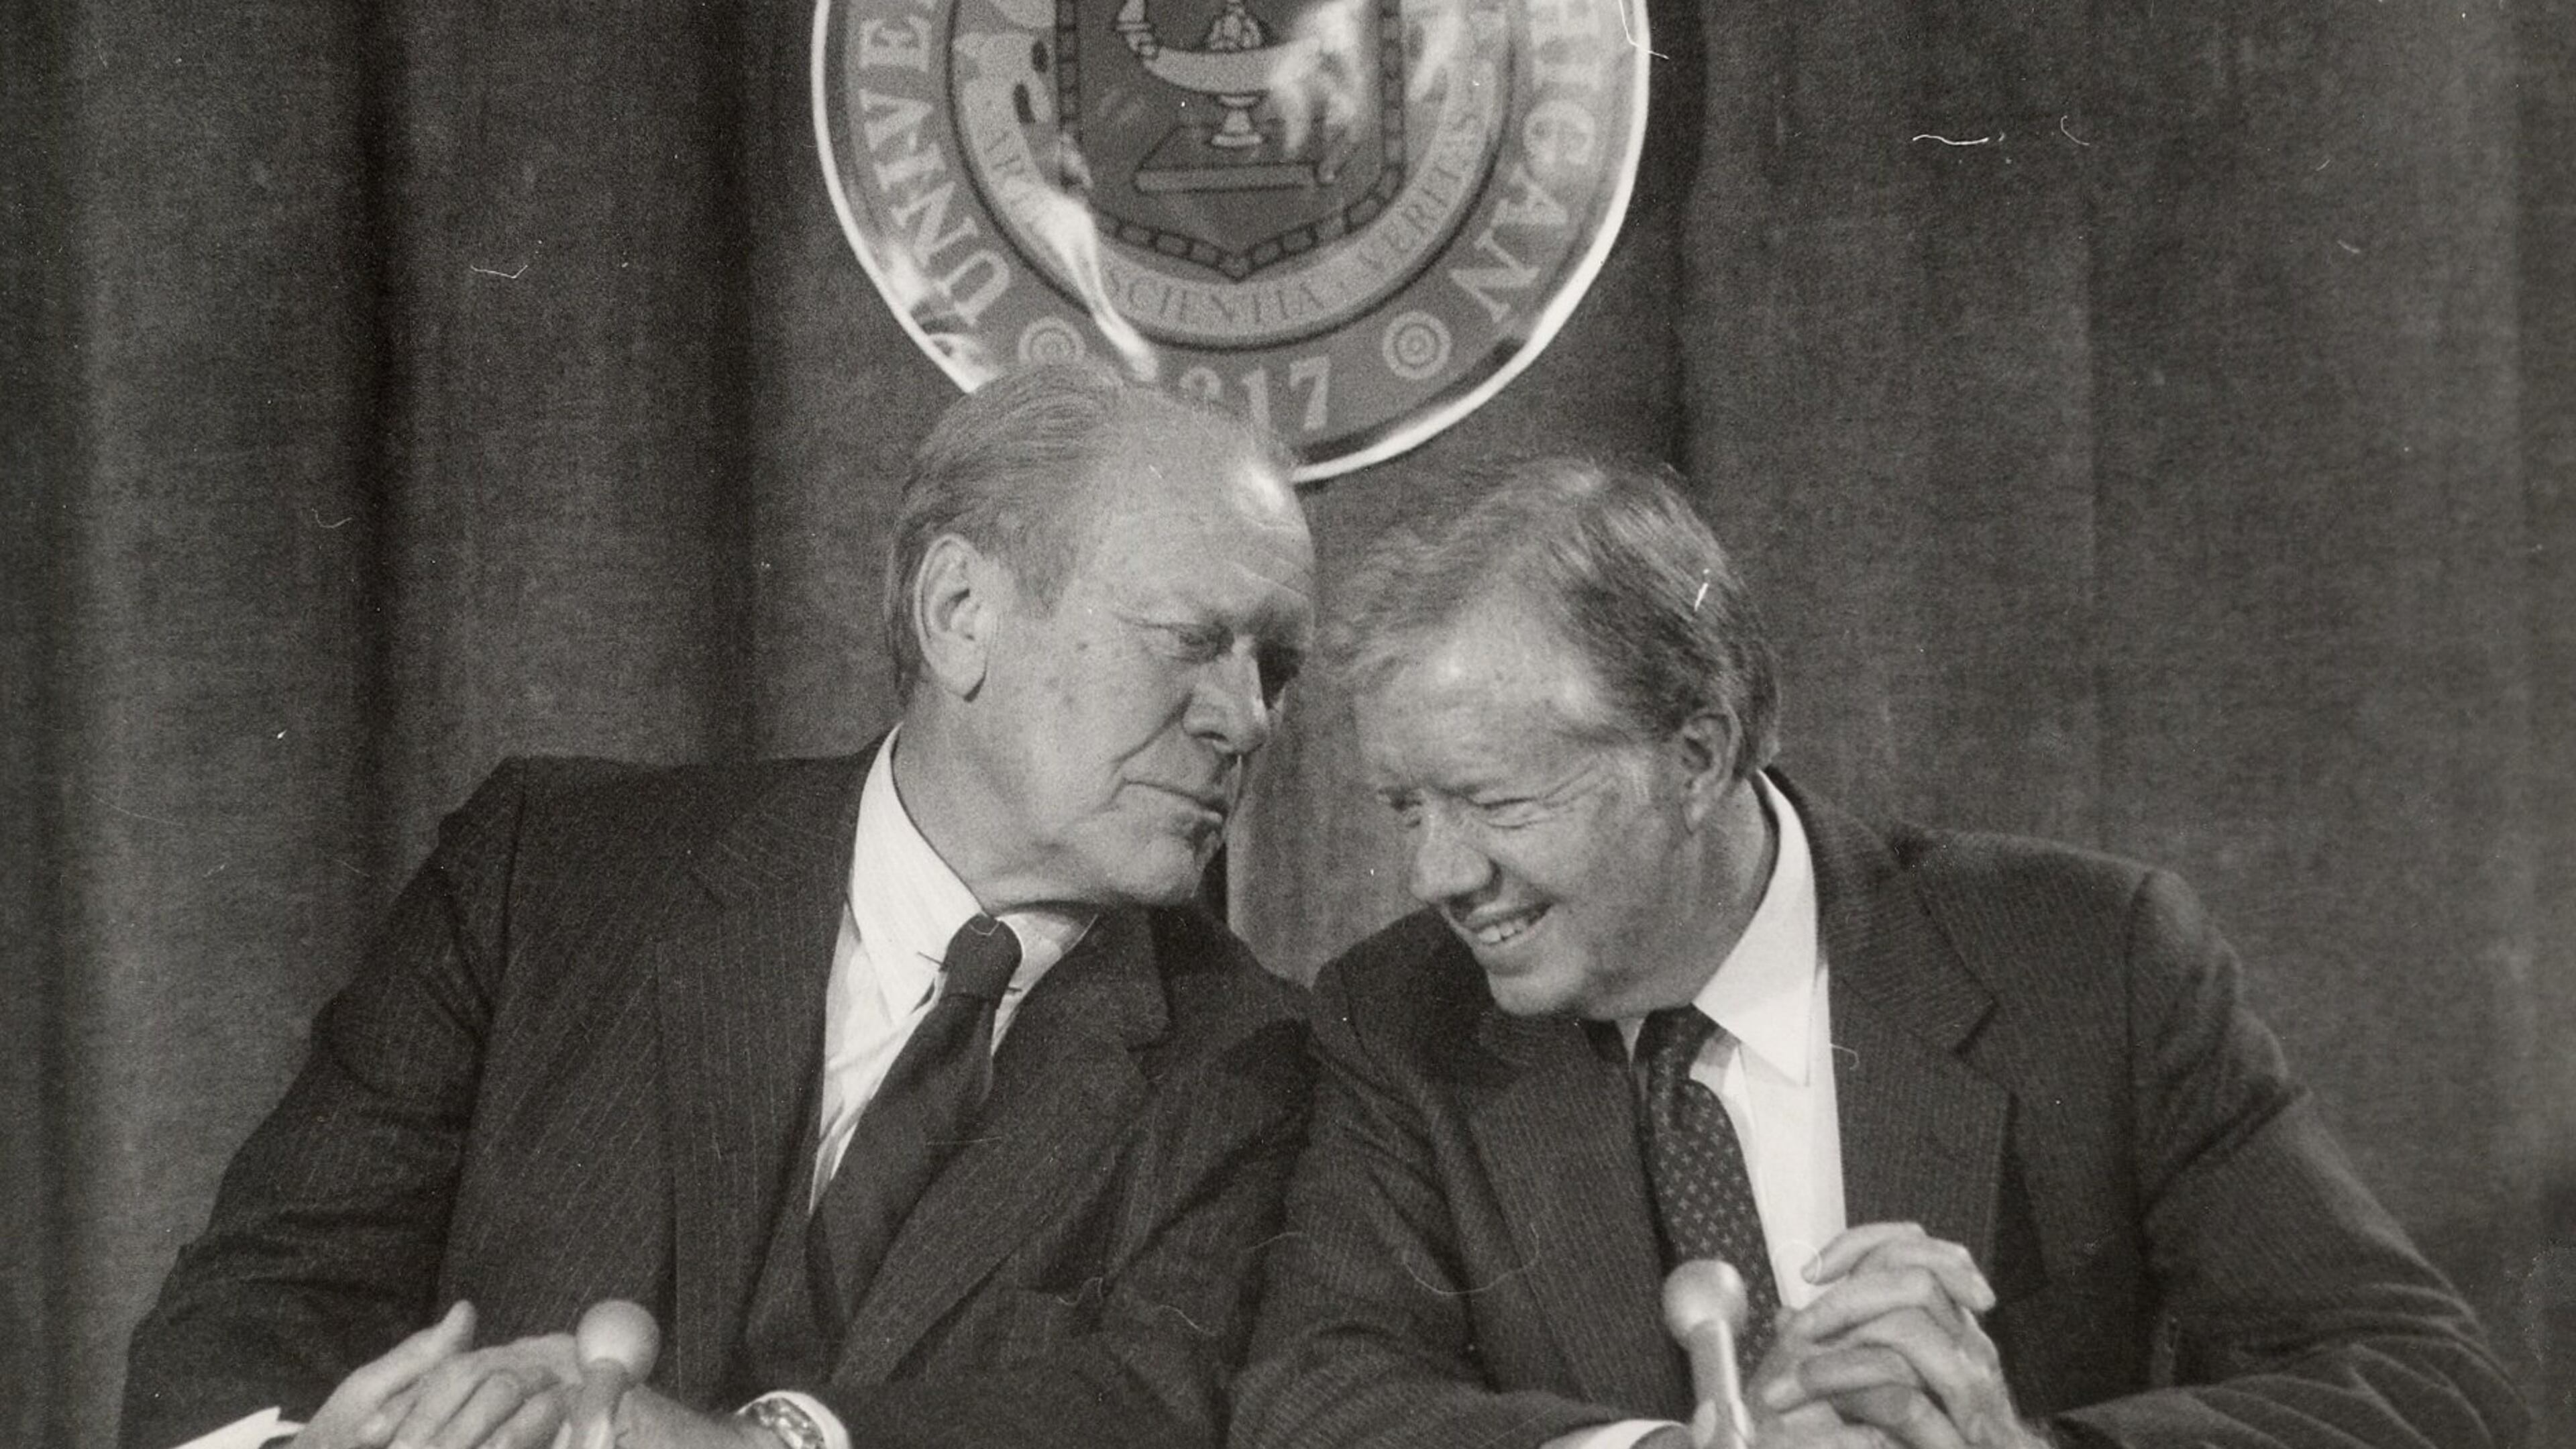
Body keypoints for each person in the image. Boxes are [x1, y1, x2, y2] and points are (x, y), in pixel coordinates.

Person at [119, 360, 1320, 1449]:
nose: (1246, 717)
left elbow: (1153, 1408)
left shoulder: (1254, 1056)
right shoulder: (552, 874)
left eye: (1275, 668)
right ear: (961, 614)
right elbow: (259, 1302)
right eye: (1191, 640)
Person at [1231, 458, 2525, 1449]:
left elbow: (2426, 1385)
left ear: (1697, 756)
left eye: (1497, 805)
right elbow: (1317, 1402)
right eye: (1408, 809)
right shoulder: (1397, 1016)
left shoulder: (2089, 959)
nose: (1438, 875)